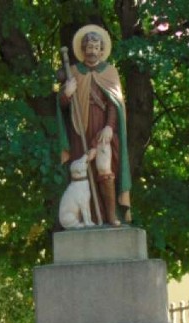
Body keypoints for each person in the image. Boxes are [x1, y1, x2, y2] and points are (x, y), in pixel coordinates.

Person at [57, 24, 132, 227]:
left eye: (96, 46)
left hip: (102, 129)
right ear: (82, 49)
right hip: (79, 126)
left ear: (101, 50)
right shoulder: (73, 71)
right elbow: (63, 104)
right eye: (88, 46)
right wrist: (67, 93)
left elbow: (114, 104)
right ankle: (87, 217)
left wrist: (109, 126)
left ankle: (110, 215)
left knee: (105, 171)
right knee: (81, 170)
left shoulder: (110, 73)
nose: (92, 50)